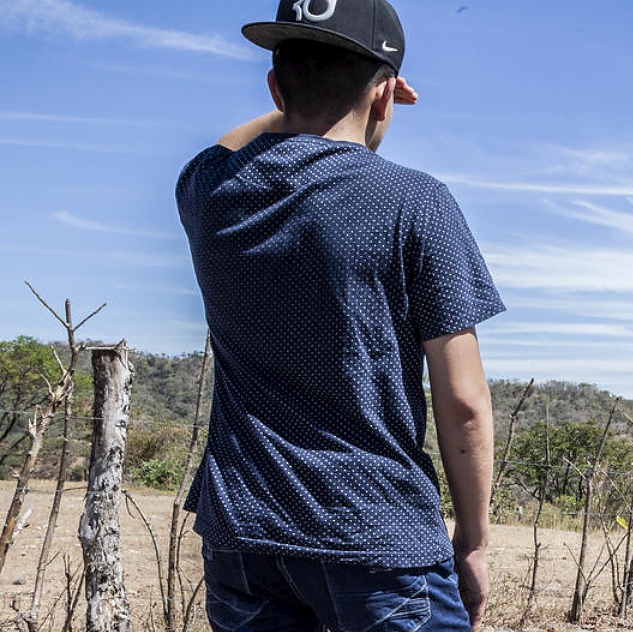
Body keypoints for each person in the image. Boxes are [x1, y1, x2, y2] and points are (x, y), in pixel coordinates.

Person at [175, 1, 502, 629]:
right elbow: (462, 400)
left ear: (274, 85)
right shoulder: (415, 202)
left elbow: (228, 143)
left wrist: (299, 103)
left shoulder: (209, 190)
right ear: (384, 97)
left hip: (244, 529)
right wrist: (473, 542)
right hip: (377, 534)